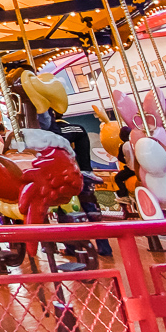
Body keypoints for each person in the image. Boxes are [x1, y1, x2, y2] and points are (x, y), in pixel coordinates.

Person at [44, 108, 113, 257]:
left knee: (85, 211)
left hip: (78, 175)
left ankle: (89, 247)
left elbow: (59, 134)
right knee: (74, 211)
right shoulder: (68, 131)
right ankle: (76, 247)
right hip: (69, 177)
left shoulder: (70, 130)